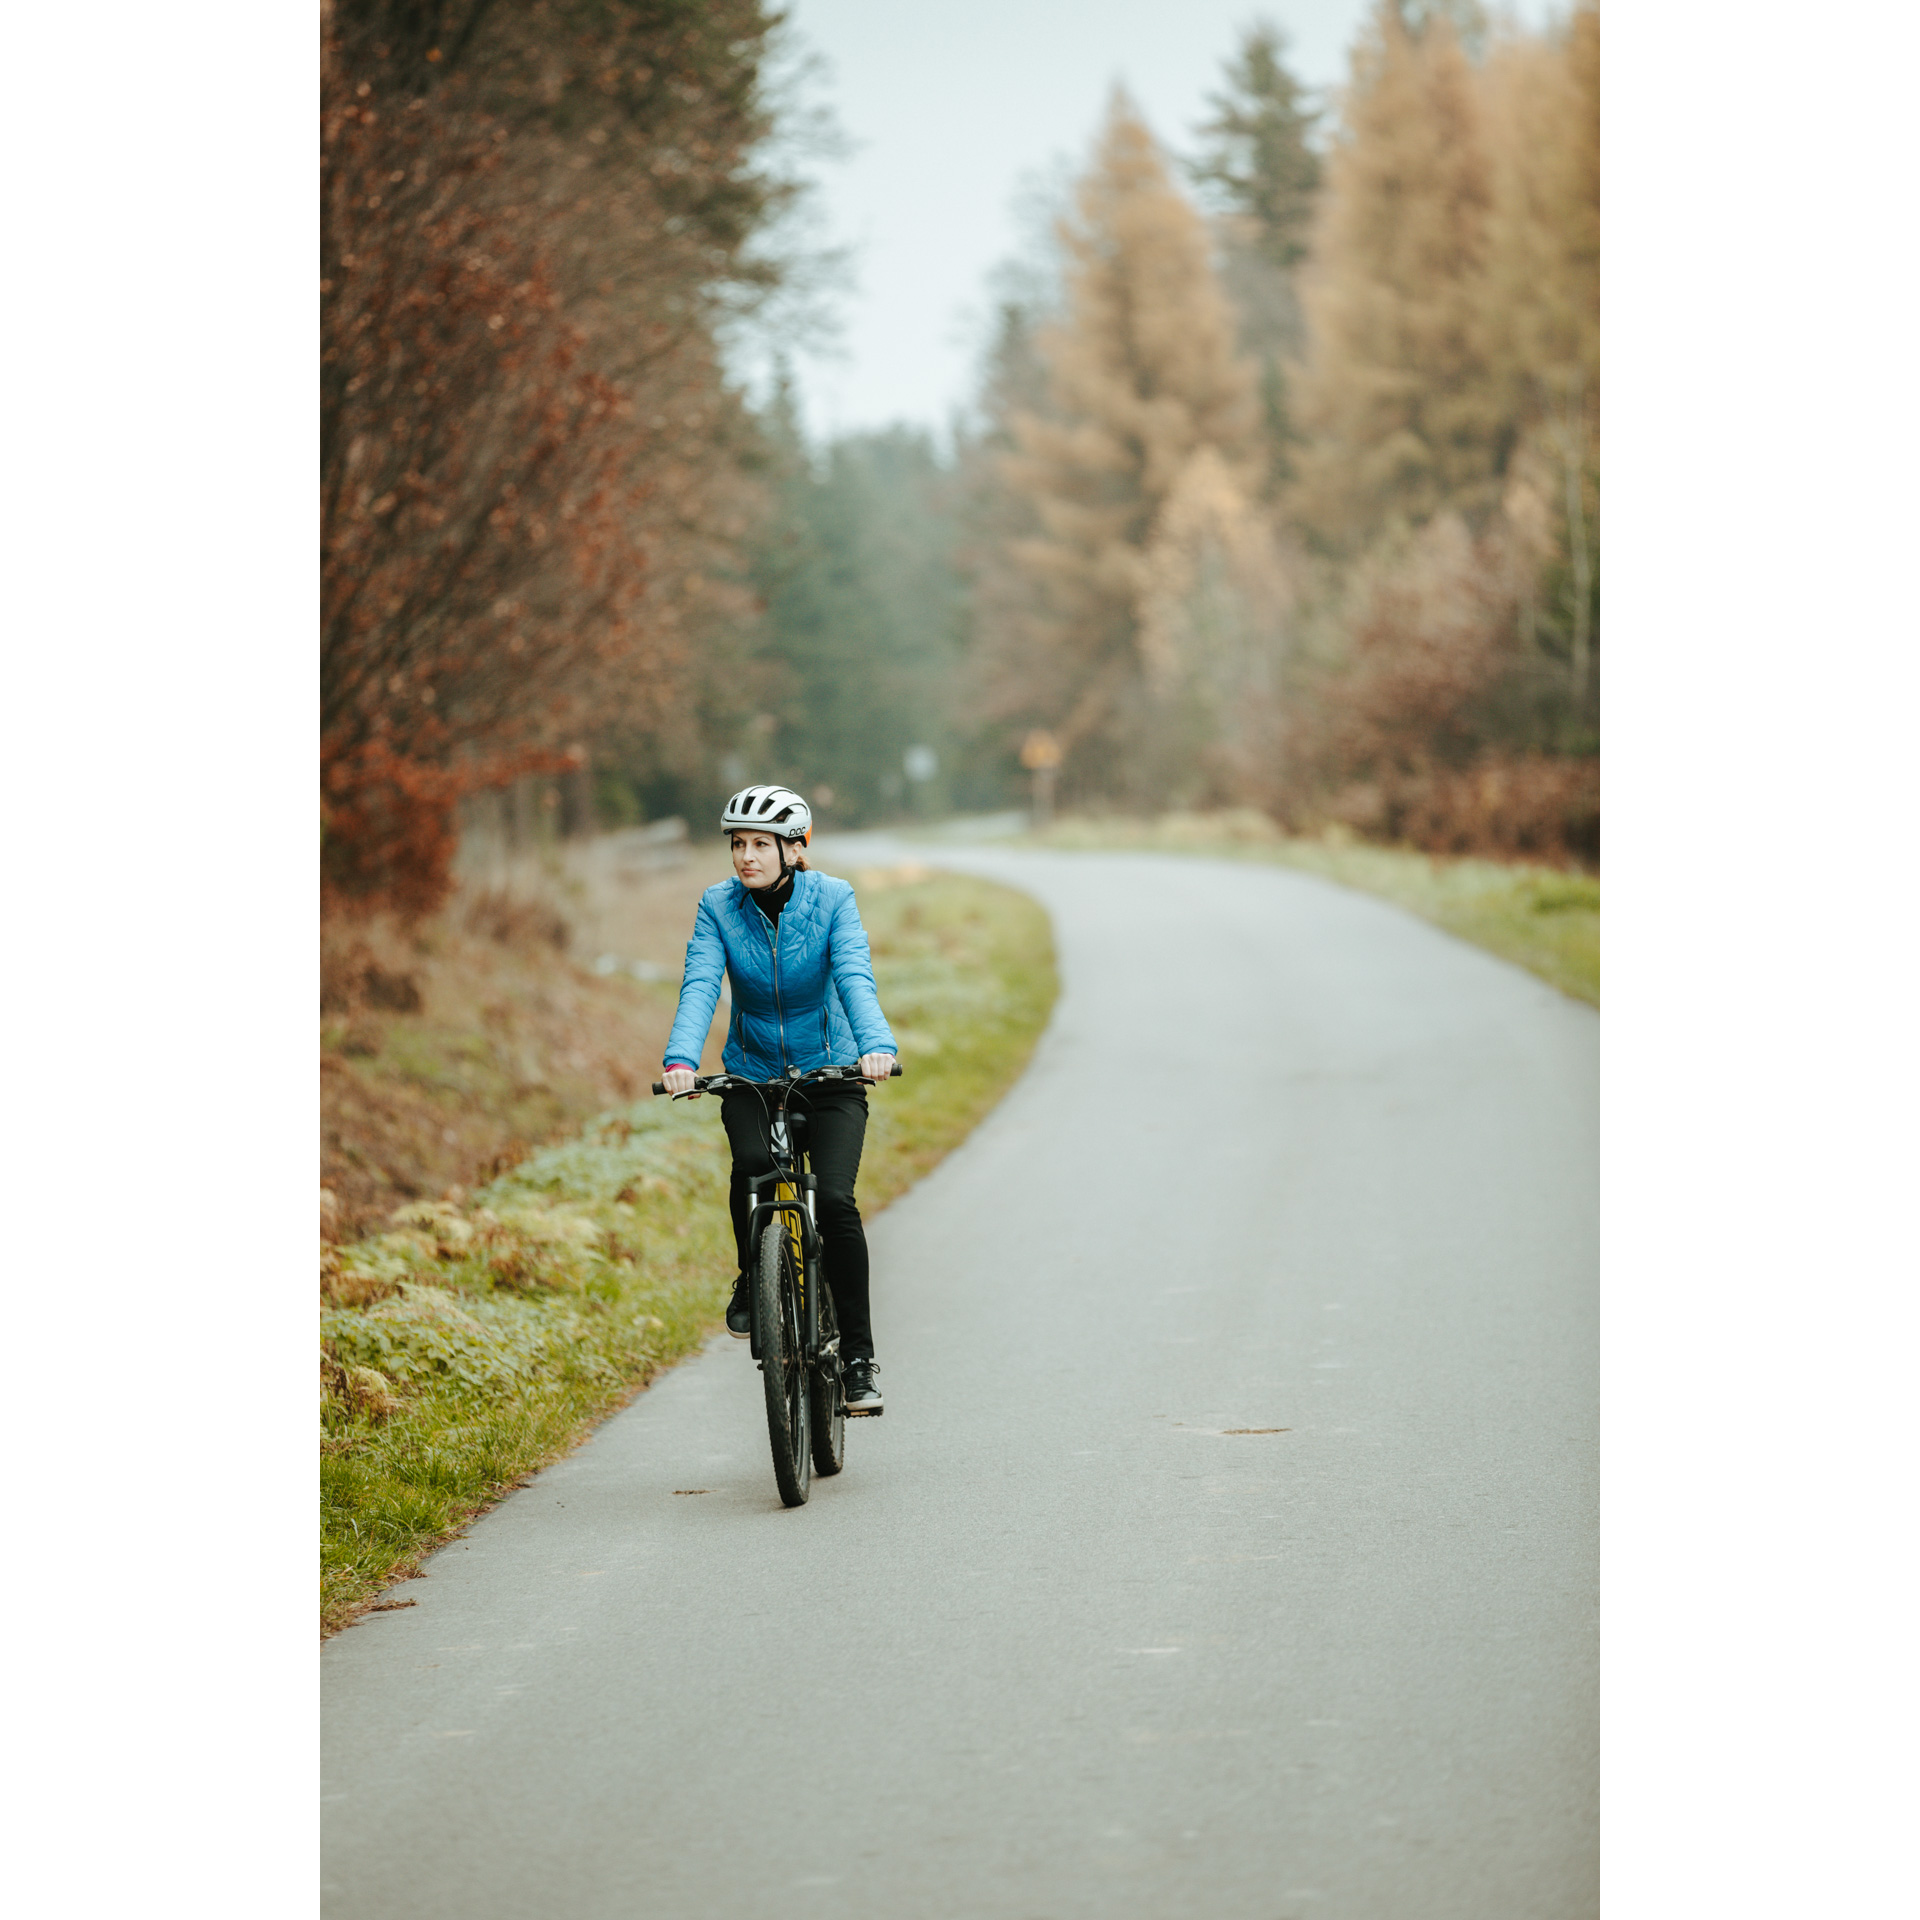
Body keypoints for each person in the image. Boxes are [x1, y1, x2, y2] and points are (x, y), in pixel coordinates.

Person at [661, 784, 898, 1412]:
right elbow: (700, 983)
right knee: (750, 1168)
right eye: (737, 844)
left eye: (760, 843)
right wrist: (681, 1059)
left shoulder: (833, 900)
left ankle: (857, 1359)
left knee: (839, 1203)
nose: (745, 856)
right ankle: (754, 1277)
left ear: (794, 848)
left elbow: (853, 973)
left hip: (832, 1074)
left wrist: (875, 1046)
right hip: (753, 1074)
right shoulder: (718, 907)